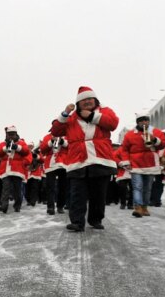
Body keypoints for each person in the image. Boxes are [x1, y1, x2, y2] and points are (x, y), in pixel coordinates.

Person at [51, 86, 119, 232]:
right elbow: (56, 131)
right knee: (77, 193)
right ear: (78, 103)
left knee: (98, 194)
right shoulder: (71, 117)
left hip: (100, 158)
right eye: (83, 100)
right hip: (78, 160)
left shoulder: (104, 111)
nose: (87, 102)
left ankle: (96, 219)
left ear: (95, 100)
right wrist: (65, 113)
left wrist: (92, 116)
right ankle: (77, 222)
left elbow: (113, 123)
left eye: (89, 99)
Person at [120, 113, 165, 218]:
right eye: (141, 121)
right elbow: (124, 149)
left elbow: (164, 144)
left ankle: (144, 207)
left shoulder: (156, 131)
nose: (144, 122)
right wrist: (126, 162)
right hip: (136, 164)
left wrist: (154, 139)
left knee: (147, 188)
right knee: (137, 187)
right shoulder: (130, 134)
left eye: (146, 120)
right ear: (137, 122)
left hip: (150, 163)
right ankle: (138, 207)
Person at [0, 126, 30, 214]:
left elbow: (26, 151)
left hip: (17, 169)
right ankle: (4, 206)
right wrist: (5, 148)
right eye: (9, 134)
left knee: (17, 189)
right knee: (5, 188)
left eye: (13, 134)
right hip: (6, 169)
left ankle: (17, 205)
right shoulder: (3, 143)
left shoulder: (21, 143)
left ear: (16, 134)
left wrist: (17, 147)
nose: (11, 136)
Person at [40, 132, 69, 215]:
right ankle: (50, 207)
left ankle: (60, 206)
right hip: (50, 164)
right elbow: (43, 150)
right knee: (50, 187)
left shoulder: (67, 135)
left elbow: (72, 147)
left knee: (62, 187)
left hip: (63, 163)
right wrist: (51, 141)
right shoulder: (47, 137)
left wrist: (63, 142)